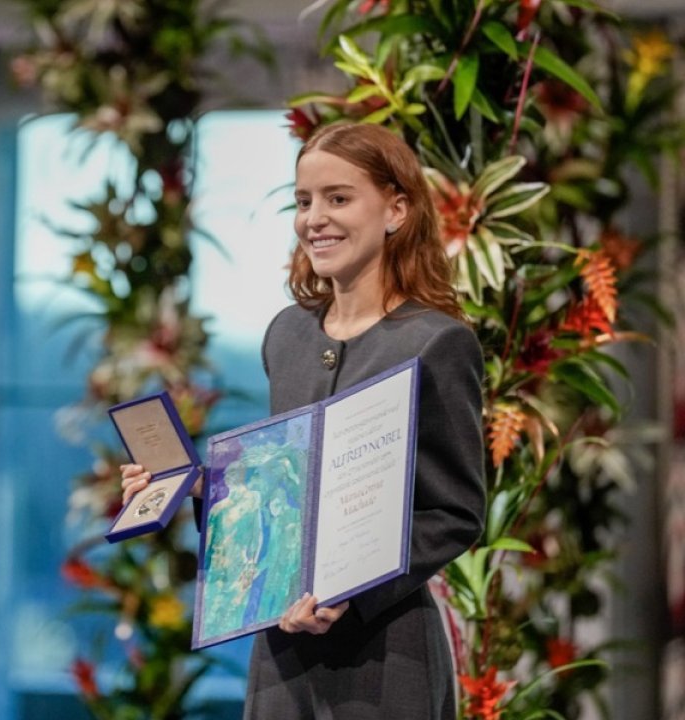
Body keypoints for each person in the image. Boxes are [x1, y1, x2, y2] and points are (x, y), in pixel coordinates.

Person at [121, 122, 485, 718]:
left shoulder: (436, 342)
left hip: (384, 655)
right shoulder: (287, 334)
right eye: (304, 201)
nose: (315, 218)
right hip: (282, 655)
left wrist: (352, 591)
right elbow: (283, 489)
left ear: (396, 210)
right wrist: (197, 488)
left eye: (338, 198)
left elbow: (454, 513)